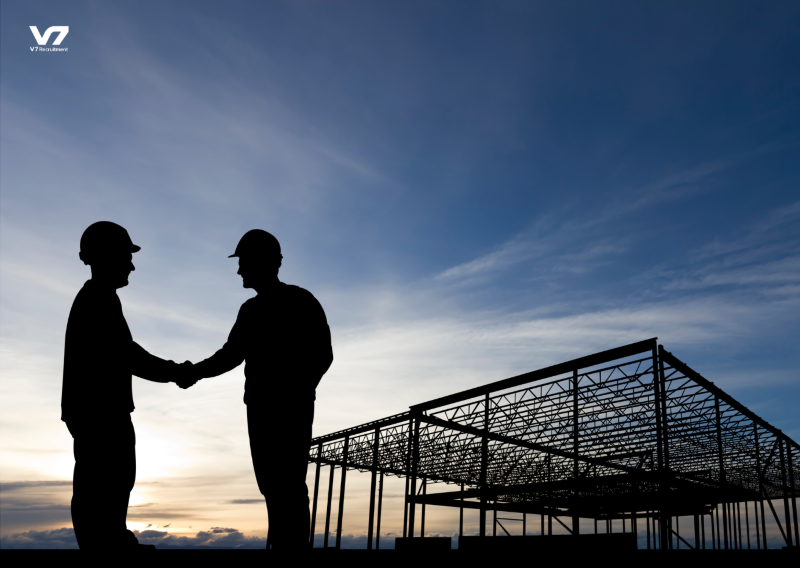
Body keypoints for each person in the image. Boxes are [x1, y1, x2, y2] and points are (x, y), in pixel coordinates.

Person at [183, 229, 333, 549]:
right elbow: (230, 355)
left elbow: (322, 354)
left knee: (288, 485)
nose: (238, 270)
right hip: (261, 409)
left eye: (244, 262)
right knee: (272, 485)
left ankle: (290, 550)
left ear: (265, 262)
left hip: (288, 409)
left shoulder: (300, 301)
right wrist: (193, 371)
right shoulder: (250, 310)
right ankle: (280, 547)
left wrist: (296, 391)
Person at [62, 221, 194, 551]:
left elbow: (125, 354)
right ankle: (107, 548)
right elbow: (127, 355)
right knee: (106, 482)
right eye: (126, 255)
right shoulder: (97, 301)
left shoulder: (99, 299)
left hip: (97, 412)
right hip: (101, 413)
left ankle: (111, 542)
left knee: (110, 482)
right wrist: (174, 372)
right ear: (105, 256)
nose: (132, 264)